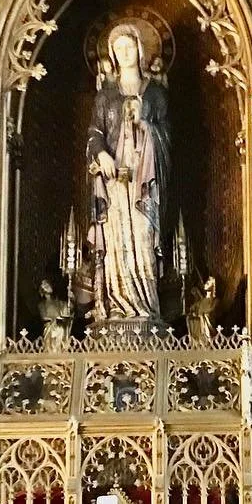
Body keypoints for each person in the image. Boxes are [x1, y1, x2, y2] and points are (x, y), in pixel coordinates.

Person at [86, 23, 172, 325]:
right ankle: (118, 306)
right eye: (118, 48)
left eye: (129, 46)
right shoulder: (105, 96)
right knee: (117, 244)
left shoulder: (157, 94)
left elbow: (167, 137)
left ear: (140, 48)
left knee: (143, 237)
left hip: (144, 183)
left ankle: (146, 308)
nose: (124, 53)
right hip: (114, 185)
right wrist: (102, 154)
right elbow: (95, 133)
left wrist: (148, 127)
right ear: (112, 53)